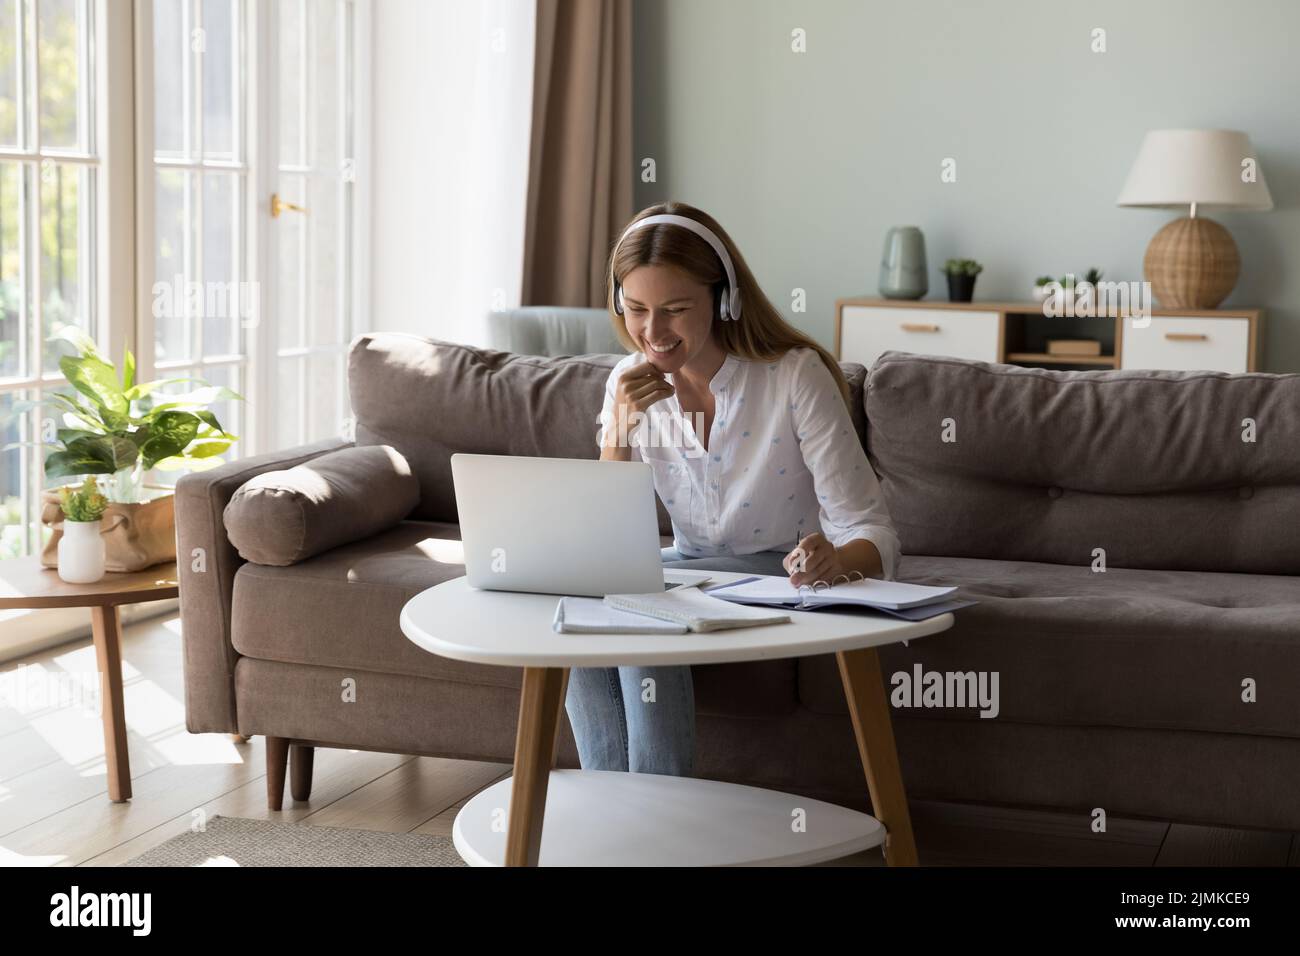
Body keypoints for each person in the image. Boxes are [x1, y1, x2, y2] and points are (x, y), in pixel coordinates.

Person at [564, 200, 901, 776]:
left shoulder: (794, 375)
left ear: (725, 300)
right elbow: (605, 545)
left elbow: (872, 530)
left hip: (775, 573)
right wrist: (617, 429)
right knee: (580, 611)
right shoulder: (627, 382)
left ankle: (658, 819)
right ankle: (613, 818)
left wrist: (836, 559)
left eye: (674, 309)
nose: (652, 332)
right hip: (686, 569)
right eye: (637, 309)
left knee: (647, 623)